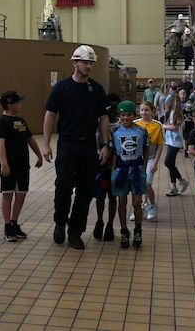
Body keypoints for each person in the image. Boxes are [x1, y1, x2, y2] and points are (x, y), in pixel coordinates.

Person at [43, 44, 111, 250]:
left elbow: (104, 118)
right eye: (85, 62)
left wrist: (105, 145)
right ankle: (60, 223)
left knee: (86, 189)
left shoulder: (97, 89)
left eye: (91, 63)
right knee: (63, 185)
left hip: (89, 144)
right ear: (75, 63)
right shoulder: (61, 88)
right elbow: (50, 115)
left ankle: (75, 231)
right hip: (67, 143)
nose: (89, 66)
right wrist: (45, 144)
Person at [0, 90, 44, 242]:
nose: (20, 104)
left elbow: (30, 139)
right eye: (17, 102)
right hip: (9, 165)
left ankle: (15, 222)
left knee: (21, 194)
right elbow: (0, 144)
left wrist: (39, 155)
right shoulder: (1, 122)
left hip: (23, 165)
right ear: (10, 105)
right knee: (8, 194)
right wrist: (4, 163)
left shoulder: (21, 121)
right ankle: (7, 226)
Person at [111, 100, 149, 249]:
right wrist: (114, 170)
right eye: (123, 115)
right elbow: (114, 152)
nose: (125, 118)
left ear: (135, 115)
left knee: (136, 202)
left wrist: (144, 167)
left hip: (137, 169)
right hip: (121, 170)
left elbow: (146, 150)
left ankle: (138, 229)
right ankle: (123, 230)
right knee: (121, 201)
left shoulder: (141, 131)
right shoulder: (115, 132)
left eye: (128, 115)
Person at [93, 93, 121, 242]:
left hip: (115, 168)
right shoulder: (98, 125)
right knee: (100, 195)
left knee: (113, 196)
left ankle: (110, 224)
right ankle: (99, 221)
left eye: (115, 108)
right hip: (100, 166)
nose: (111, 111)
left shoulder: (120, 126)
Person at [134, 101, 163, 221]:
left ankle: (152, 205)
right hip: (137, 159)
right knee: (138, 184)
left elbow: (160, 145)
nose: (144, 112)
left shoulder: (157, 125)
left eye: (146, 110)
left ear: (152, 111)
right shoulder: (135, 124)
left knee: (147, 183)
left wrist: (156, 162)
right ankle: (139, 208)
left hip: (150, 158)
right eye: (142, 110)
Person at [162, 94, 190, 196]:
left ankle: (182, 180)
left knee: (167, 162)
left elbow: (174, 127)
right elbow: (182, 127)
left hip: (175, 142)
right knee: (171, 164)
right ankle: (173, 187)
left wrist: (164, 126)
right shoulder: (174, 113)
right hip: (171, 141)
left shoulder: (174, 113)